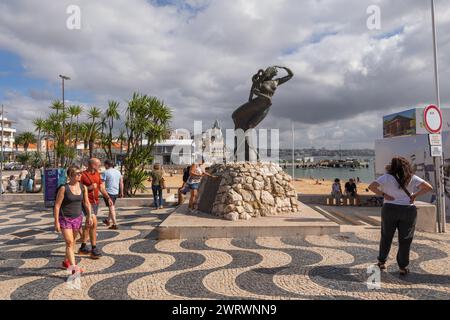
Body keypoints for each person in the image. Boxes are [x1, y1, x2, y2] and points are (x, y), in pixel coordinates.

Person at [368, 157, 433, 276]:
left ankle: (381, 261)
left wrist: (384, 195)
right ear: (407, 166)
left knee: (386, 236)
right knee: (405, 239)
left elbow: (371, 186)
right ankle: (402, 267)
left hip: (390, 209)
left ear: (392, 166)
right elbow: (428, 187)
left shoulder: (386, 177)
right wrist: (415, 195)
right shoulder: (412, 177)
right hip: (408, 210)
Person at [54, 166, 92, 273]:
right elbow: (57, 205)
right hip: (65, 218)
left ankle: (65, 261)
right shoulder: (63, 188)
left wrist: (89, 215)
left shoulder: (83, 187)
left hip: (77, 218)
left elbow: (86, 203)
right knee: (70, 242)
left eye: (80, 173)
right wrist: (56, 221)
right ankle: (74, 268)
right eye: (77, 173)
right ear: (70, 176)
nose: (80, 175)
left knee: (73, 242)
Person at [78, 158, 113, 259]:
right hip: (86, 202)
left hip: (95, 202)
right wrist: (89, 188)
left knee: (89, 224)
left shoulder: (97, 174)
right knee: (94, 223)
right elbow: (78, 189)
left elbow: (101, 188)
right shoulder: (82, 175)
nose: (100, 166)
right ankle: (94, 248)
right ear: (92, 165)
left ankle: (83, 247)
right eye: (98, 164)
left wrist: (108, 198)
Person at [101, 160, 124, 230]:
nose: (104, 166)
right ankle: (108, 221)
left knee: (111, 207)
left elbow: (102, 183)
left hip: (108, 192)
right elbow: (121, 183)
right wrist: (121, 192)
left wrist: (102, 191)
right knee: (111, 206)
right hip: (115, 192)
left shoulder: (105, 172)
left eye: (104, 165)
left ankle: (114, 224)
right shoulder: (118, 172)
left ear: (107, 165)